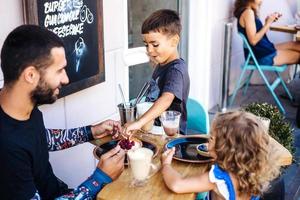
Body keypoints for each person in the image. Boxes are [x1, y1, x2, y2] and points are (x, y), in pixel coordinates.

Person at [0, 25, 125, 200]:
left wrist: (90, 131)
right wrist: (99, 179)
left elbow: (39, 139)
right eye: (59, 70)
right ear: (30, 75)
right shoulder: (6, 148)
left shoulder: (20, 106)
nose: (65, 79)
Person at [161, 111, 281, 200]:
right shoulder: (252, 173)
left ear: (225, 148)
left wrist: (166, 164)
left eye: (212, 138)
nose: (208, 141)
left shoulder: (220, 178)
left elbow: (177, 184)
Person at [124, 9, 190, 135]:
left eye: (155, 45)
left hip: (170, 137)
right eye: (146, 45)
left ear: (174, 41)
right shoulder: (162, 64)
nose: (149, 50)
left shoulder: (176, 70)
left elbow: (166, 99)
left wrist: (139, 122)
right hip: (154, 130)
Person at [234, 0, 300, 66]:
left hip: (264, 49)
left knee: (297, 45)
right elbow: (253, 41)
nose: (261, 1)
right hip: (261, 56)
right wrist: (267, 24)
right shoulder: (248, 12)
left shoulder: (248, 11)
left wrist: (267, 22)